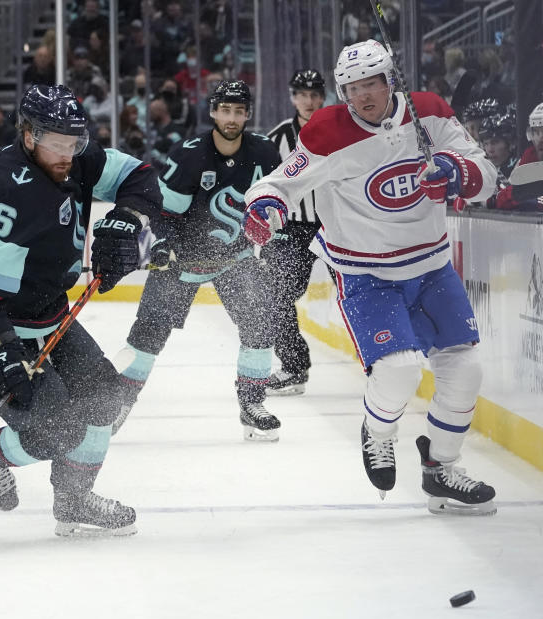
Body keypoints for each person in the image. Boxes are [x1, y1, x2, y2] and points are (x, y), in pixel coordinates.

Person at [243, 40, 498, 515]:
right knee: (399, 369)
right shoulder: (326, 131)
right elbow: (279, 181)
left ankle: (441, 469)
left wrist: (456, 170)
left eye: (370, 85)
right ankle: (377, 432)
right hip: (367, 273)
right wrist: (266, 204)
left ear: (389, 81)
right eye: (351, 88)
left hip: (432, 266)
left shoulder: (430, 112)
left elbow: (486, 172)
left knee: (466, 370)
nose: (362, 96)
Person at [0, 84, 162, 536]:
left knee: (106, 399)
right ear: (28, 135)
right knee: (57, 431)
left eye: (74, 142)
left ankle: (73, 502)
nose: (67, 154)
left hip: (39, 308)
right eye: (56, 142)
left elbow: (141, 178)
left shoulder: (76, 161)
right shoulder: (7, 192)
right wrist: (2, 352)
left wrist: (126, 221)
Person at [110, 80, 283, 442]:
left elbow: (277, 201)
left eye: (239, 111)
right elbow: (164, 213)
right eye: (225, 110)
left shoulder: (266, 152)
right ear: (212, 111)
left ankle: (252, 403)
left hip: (233, 257)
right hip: (182, 260)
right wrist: (163, 244)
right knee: (146, 338)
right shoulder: (189, 154)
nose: (232, 118)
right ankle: (116, 407)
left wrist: (274, 240)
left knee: (261, 322)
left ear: (247, 114)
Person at [262, 69, 328, 395]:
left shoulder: (342, 132)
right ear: (292, 97)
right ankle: (294, 366)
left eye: (315, 94)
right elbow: (265, 184)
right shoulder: (277, 138)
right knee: (273, 294)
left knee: (362, 290)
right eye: (303, 94)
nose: (309, 100)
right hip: (293, 228)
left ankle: (380, 364)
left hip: (337, 225)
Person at [489, 102, 543, 212]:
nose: (540, 139)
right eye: (537, 132)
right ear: (530, 135)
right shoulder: (529, 156)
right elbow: (504, 197)